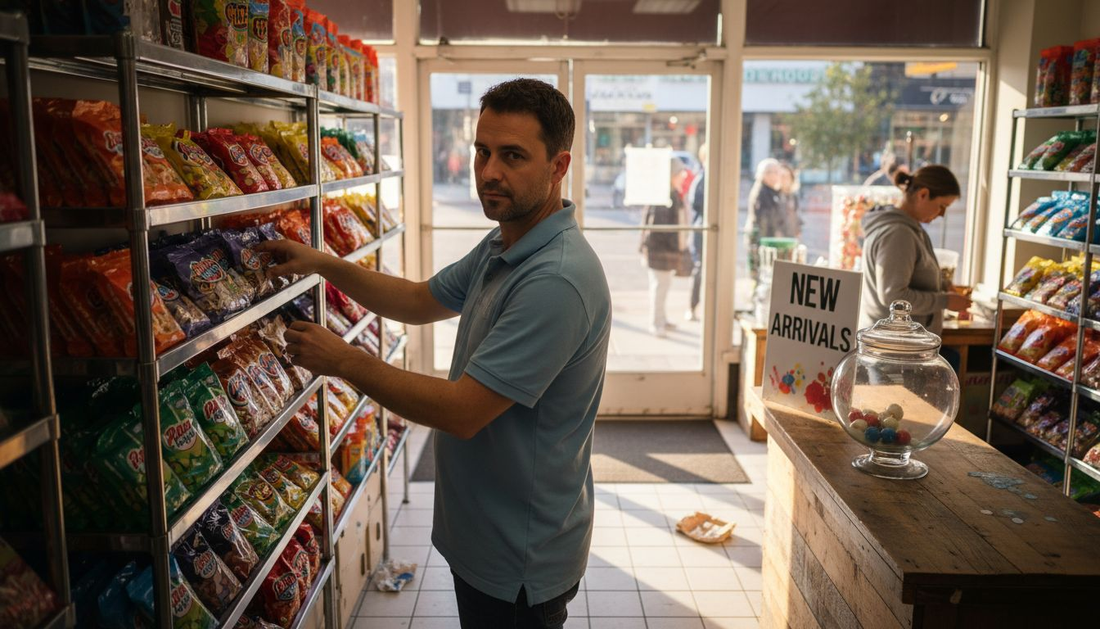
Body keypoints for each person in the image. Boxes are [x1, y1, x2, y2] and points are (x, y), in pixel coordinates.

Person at [258, 78, 611, 629]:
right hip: (483, 533)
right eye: (482, 151)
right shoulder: (506, 242)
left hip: (517, 557)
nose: (489, 171)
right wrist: (324, 262)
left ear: (558, 166)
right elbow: (420, 300)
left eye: (513, 156)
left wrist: (344, 360)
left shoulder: (556, 280)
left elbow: (461, 411)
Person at [859, 165, 971, 334]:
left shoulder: (910, 230)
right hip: (895, 346)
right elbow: (894, 297)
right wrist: (944, 301)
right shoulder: (899, 234)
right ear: (923, 195)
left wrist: (943, 285)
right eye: (942, 206)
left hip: (900, 343)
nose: (941, 214)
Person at [641, 157, 690, 338]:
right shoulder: (664, 196)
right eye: (680, 173)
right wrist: (675, 247)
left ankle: (662, 318)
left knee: (664, 285)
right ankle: (656, 322)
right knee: (659, 287)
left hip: (664, 252)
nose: (683, 177)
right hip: (660, 252)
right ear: (671, 175)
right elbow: (659, 229)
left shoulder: (671, 194)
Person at [743, 158, 788, 280]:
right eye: (771, 172)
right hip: (761, 241)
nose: (776, 175)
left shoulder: (774, 192)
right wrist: (776, 233)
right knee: (760, 277)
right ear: (763, 174)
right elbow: (764, 219)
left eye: (777, 172)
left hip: (766, 240)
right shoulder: (761, 192)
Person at [685, 144, 707, 322]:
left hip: (701, 229)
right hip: (700, 232)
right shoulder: (702, 178)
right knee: (699, 269)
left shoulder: (706, 177)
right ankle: (692, 306)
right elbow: (695, 203)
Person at [777, 161, 801, 241]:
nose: (784, 180)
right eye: (782, 177)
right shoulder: (774, 196)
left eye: (787, 177)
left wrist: (798, 232)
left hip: (791, 238)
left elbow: (796, 216)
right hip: (778, 239)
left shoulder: (793, 196)